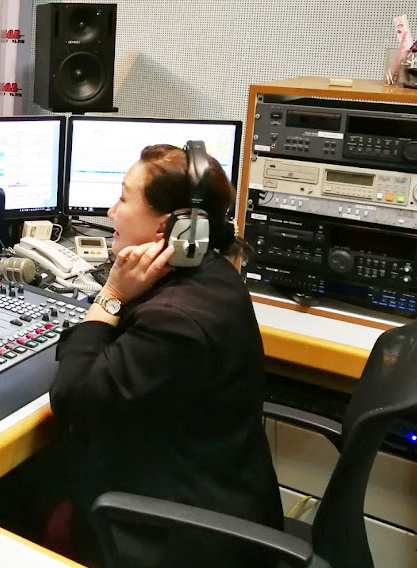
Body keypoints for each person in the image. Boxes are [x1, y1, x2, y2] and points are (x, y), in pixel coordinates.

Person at [49, 143, 283, 568]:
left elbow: (72, 399)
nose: (110, 213)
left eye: (123, 199)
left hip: (176, 539)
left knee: (13, 497)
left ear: (170, 226)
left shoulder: (176, 319)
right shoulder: (213, 275)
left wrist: (111, 294)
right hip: (209, 493)